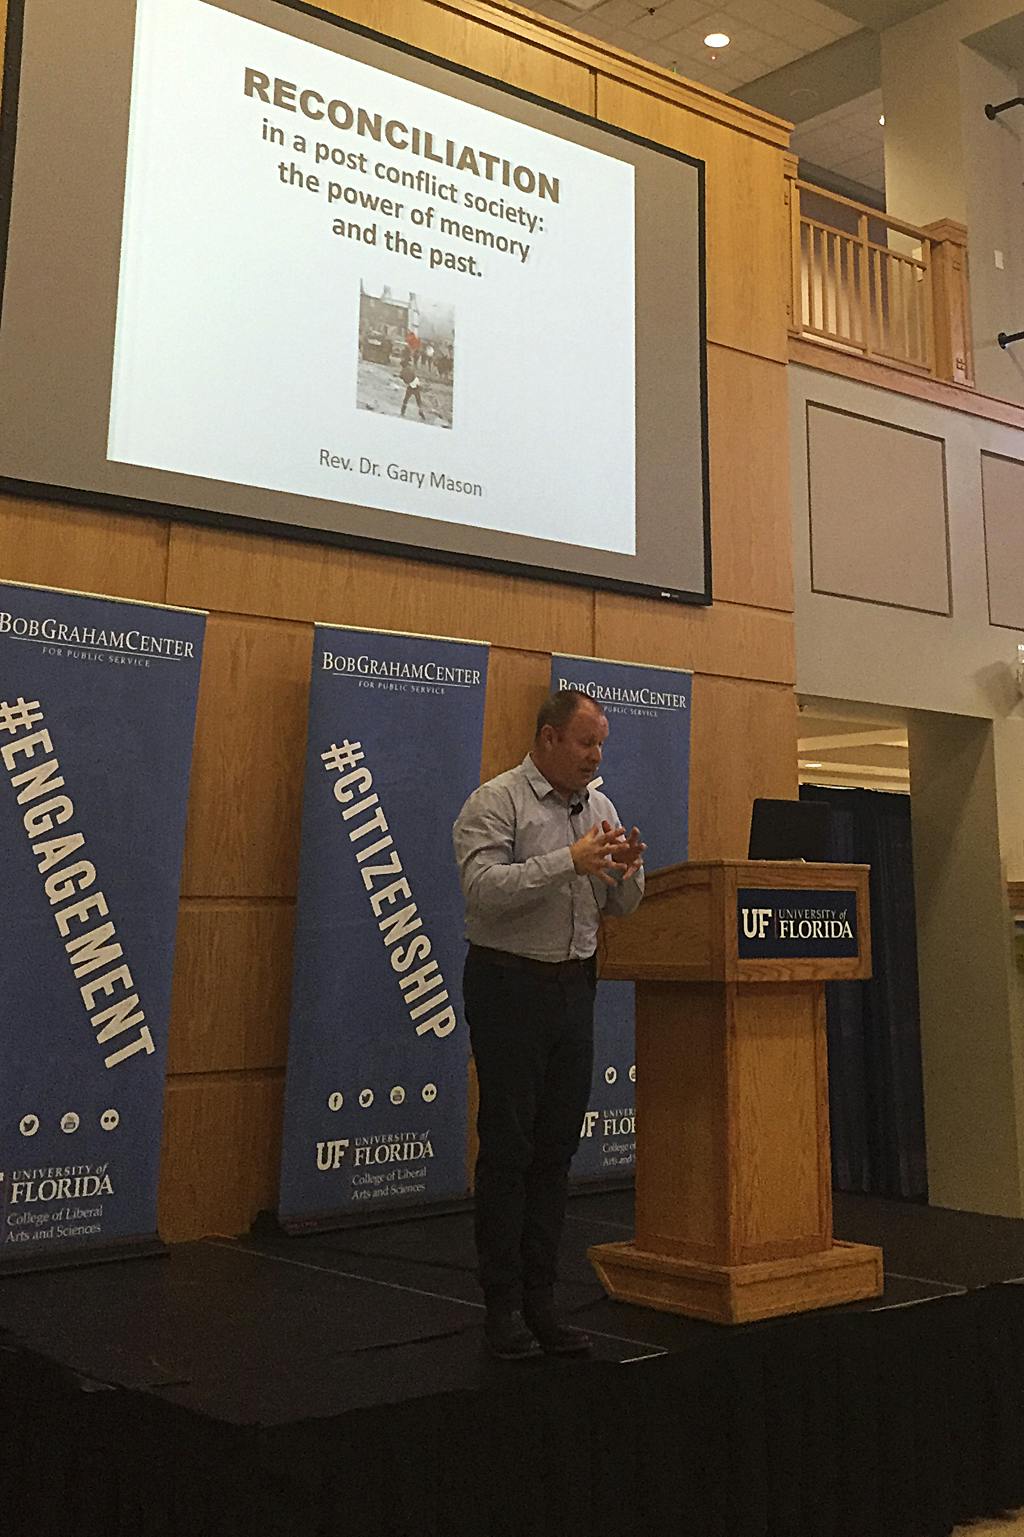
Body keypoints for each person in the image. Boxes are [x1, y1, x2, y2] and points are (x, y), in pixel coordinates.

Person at [452, 689, 645, 1359]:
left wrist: (625, 871)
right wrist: (568, 861)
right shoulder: (495, 801)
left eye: (602, 745)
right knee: (508, 1148)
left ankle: (542, 1300)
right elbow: (482, 890)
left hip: (573, 987)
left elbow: (620, 903)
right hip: (509, 984)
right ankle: (500, 1308)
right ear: (548, 739)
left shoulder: (602, 808)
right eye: (587, 742)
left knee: (556, 1151)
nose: (597, 756)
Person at [399, 349, 426, 421]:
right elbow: (414, 375)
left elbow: (402, 378)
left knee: (406, 400)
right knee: (418, 400)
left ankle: (402, 412)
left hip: (410, 386)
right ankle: (421, 412)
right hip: (416, 385)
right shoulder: (411, 369)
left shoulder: (403, 371)